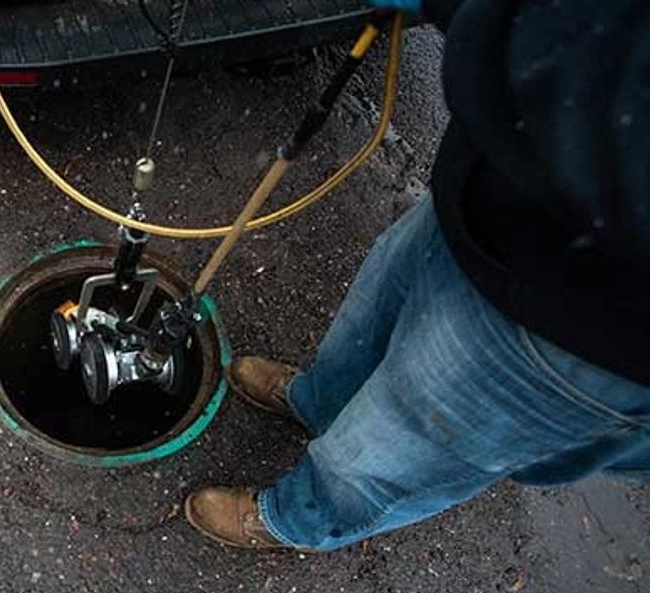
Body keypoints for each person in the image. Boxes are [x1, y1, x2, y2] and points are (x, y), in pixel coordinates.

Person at [184, 0, 650, 551]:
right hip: (492, 192)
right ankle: (317, 402)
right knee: (371, 320)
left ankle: (299, 519)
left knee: (400, 445)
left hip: (589, 323)